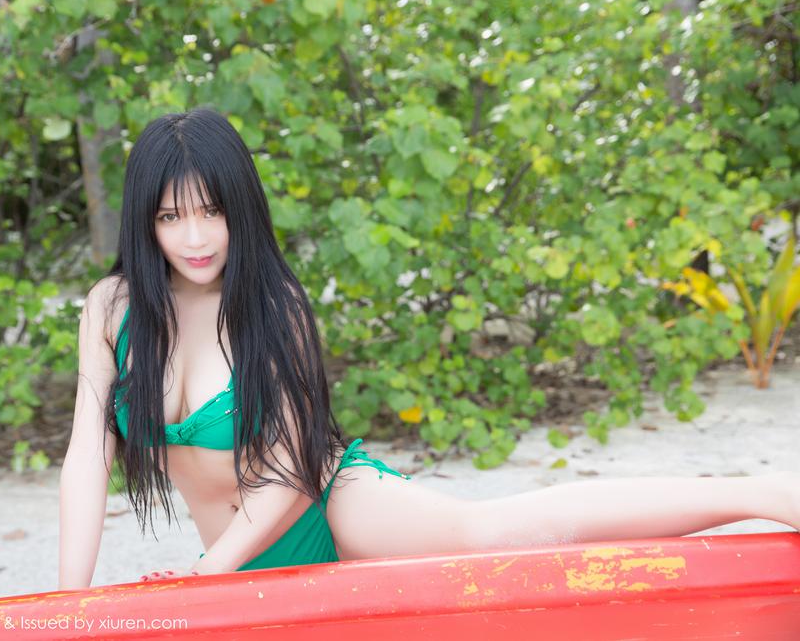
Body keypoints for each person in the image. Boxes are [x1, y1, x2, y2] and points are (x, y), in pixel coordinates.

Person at [58, 107, 799, 590]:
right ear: (145, 221)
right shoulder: (112, 311)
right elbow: (87, 458)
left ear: (240, 210)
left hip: (325, 508)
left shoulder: (274, 306)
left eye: (211, 212)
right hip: (236, 560)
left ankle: (760, 494)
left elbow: (289, 469)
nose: (194, 237)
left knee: (488, 534)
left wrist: (206, 571)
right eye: (171, 216)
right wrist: (68, 604)